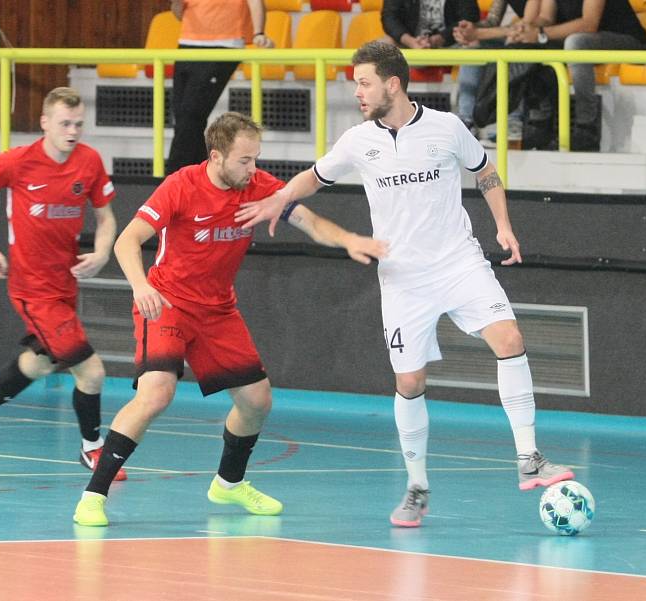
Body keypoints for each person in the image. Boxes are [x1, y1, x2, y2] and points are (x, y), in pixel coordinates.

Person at [235, 41, 574, 528]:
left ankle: (529, 457)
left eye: (365, 82)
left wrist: (503, 226)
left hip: (459, 262)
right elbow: (314, 176)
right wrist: (279, 199)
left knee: (510, 338)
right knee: (410, 382)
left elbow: (486, 173)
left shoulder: (447, 127)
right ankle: (416, 486)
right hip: (403, 278)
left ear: (393, 84)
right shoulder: (357, 140)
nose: (357, 91)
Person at [72, 112, 387, 527]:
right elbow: (128, 240)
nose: (253, 168)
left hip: (218, 310)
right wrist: (140, 286)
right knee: (156, 393)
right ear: (217, 156)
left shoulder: (258, 187)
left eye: (256, 158)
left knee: (257, 402)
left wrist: (348, 239)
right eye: (245, 160)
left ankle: (229, 484)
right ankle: (94, 495)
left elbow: (307, 220)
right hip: (167, 303)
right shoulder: (182, 186)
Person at [0, 87, 126, 481]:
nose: (73, 131)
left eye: (79, 124)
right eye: (65, 124)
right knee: (92, 371)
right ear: (45, 123)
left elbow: (106, 219)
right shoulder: (18, 162)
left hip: (66, 283)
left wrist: (101, 253)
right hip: (31, 288)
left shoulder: (89, 162)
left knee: (40, 363)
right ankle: (91, 450)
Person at [507, 0, 646, 151]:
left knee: (576, 43)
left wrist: (540, 33)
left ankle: (586, 126)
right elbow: (547, 18)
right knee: (526, 44)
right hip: (584, 36)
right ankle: (540, 122)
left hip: (624, 37)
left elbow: (589, 24)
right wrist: (527, 29)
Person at [166, 0, 274, 174]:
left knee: (190, 114)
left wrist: (258, 33)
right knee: (183, 117)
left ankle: (175, 176)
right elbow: (179, 12)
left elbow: (255, 2)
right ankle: (199, 176)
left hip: (224, 44)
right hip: (187, 43)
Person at [452, 0, 530, 140]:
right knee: (473, 46)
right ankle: (466, 120)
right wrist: (471, 29)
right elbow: (493, 20)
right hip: (517, 34)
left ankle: (512, 121)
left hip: (545, 36)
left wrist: (479, 33)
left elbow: (528, 25)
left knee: (515, 44)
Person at [381, 0, 480, 50]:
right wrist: (410, 41)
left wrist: (440, 38)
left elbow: (469, 16)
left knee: (473, 42)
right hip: (411, 41)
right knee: (381, 46)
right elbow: (389, 17)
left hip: (451, 41)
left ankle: (467, 90)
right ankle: (384, 89)